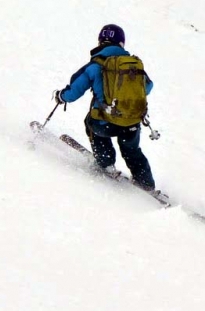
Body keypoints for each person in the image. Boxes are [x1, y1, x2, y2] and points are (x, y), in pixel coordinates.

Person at [53, 24, 156, 191]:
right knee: (132, 150)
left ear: (100, 41)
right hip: (131, 122)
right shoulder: (133, 65)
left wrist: (60, 96)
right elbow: (148, 87)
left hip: (104, 122)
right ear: (121, 43)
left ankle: (106, 164)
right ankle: (146, 183)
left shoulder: (95, 64)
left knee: (91, 125)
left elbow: (74, 91)